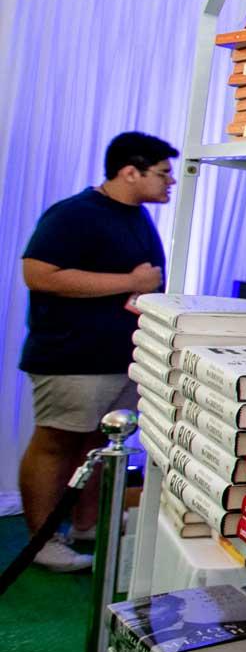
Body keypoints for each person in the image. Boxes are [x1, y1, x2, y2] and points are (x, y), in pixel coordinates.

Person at [18, 131, 176, 572]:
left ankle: (87, 526)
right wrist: (130, 283)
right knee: (56, 443)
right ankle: (42, 542)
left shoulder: (136, 216)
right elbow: (39, 274)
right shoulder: (75, 214)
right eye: (163, 173)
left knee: (99, 446)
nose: (170, 182)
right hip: (71, 357)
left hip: (122, 357)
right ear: (130, 172)